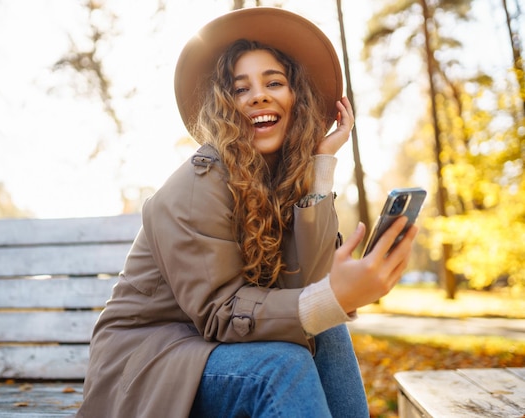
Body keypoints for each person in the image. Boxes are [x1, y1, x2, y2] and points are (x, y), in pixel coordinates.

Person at [77, 7, 418, 418]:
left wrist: (321, 167)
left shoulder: (282, 183)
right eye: (241, 89)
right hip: (153, 360)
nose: (259, 95)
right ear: (225, 106)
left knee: (328, 329)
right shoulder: (193, 186)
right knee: (281, 366)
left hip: (214, 351)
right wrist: (330, 297)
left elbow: (305, 288)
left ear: (297, 99)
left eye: (274, 82)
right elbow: (221, 314)